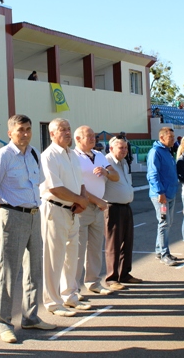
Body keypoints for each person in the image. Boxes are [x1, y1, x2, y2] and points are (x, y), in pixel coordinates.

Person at [0, 114, 56, 344]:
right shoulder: (2, 156)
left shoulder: (34, 153)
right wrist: (6, 210)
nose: (25, 133)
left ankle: (31, 316)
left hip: (35, 215)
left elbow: (39, 183)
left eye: (28, 129)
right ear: (10, 133)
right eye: (21, 129)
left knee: (34, 269)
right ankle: (3, 321)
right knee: (9, 272)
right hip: (13, 216)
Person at [39, 118, 91, 316]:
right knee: (54, 258)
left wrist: (82, 199)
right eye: (63, 130)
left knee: (71, 256)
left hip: (73, 210)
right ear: (52, 134)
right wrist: (80, 200)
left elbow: (80, 181)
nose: (67, 133)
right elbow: (55, 187)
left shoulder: (72, 154)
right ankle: (53, 302)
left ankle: (70, 295)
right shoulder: (49, 156)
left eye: (69, 129)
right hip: (55, 209)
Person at [73, 126, 119, 295]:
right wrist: (98, 201)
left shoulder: (99, 155)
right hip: (83, 207)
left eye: (94, 136)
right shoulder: (73, 157)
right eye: (89, 136)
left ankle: (93, 282)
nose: (94, 138)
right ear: (78, 139)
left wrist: (106, 172)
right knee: (78, 250)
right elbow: (77, 185)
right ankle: (74, 287)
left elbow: (116, 176)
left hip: (98, 208)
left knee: (95, 247)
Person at [103, 136, 141, 290]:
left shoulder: (124, 162)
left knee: (127, 241)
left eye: (126, 147)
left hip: (126, 207)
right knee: (114, 244)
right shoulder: (107, 162)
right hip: (112, 207)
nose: (125, 150)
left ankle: (124, 273)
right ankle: (112, 278)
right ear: (111, 148)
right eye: (121, 148)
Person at [147, 127, 180, 265]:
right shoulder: (155, 152)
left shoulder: (167, 151)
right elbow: (153, 174)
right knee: (164, 223)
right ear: (162, 138)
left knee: (167, 223)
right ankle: (164, 254)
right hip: (161, 195)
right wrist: (160, 192)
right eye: (171, 137)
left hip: (170, 193)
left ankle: (160, 251)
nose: (173, 140)